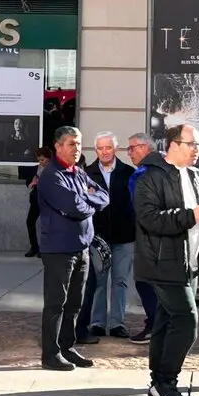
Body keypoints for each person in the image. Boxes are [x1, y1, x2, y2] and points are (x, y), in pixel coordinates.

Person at [133, 123, 199, 396]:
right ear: (173, 144)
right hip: (163, 263)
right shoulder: (149, 175)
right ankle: (166, 382)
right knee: (186, 322)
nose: (198, 150)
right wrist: (190, 215)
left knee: (166, 321)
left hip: (189, 262)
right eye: (192, 144)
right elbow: (150, 219)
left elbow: (197, 213)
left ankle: (157, 382)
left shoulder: (193, 175)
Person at [36, 126, 109, 371]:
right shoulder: (51, 175)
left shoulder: (78, 173)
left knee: (75, 303)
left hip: (82, 248)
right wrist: (89, 203)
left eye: (78, 143)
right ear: (57, 147)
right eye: (70, 144)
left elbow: (103, 196)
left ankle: (67, 346)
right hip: (58, 249)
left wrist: (87, 200)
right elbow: (74, 207)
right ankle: (50, 354)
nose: (76, 148)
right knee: (56, 302)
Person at [84, 132, 136, 339]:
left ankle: (117, 323)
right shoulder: (87, 173)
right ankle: (97, 322)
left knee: (120, 281)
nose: (104, 152)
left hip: (124, 236)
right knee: (98, 281)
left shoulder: (128, 172)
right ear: (95, 150)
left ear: (115, 148)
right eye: (100, 148)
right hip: (98, 239)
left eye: (108, 147)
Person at [126, 132, 158, 344]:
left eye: (133, 148)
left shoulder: (143, 174)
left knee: (145, 282)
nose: (129, 153)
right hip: (156, 236)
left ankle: (155, 325)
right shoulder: (161, 167)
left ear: (146, 147)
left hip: (150, 237)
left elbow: (141, 210)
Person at [24, 147, 51, 258]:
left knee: (45, 225)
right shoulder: (34, 169)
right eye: (39, 159)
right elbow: (28, 184)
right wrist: (33, 183)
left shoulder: (53, 169)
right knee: (30, 222)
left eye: (43, 160)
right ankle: (34, 246)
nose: (41, 162)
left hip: (47, 201)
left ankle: (45, 248)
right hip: (36, 200)